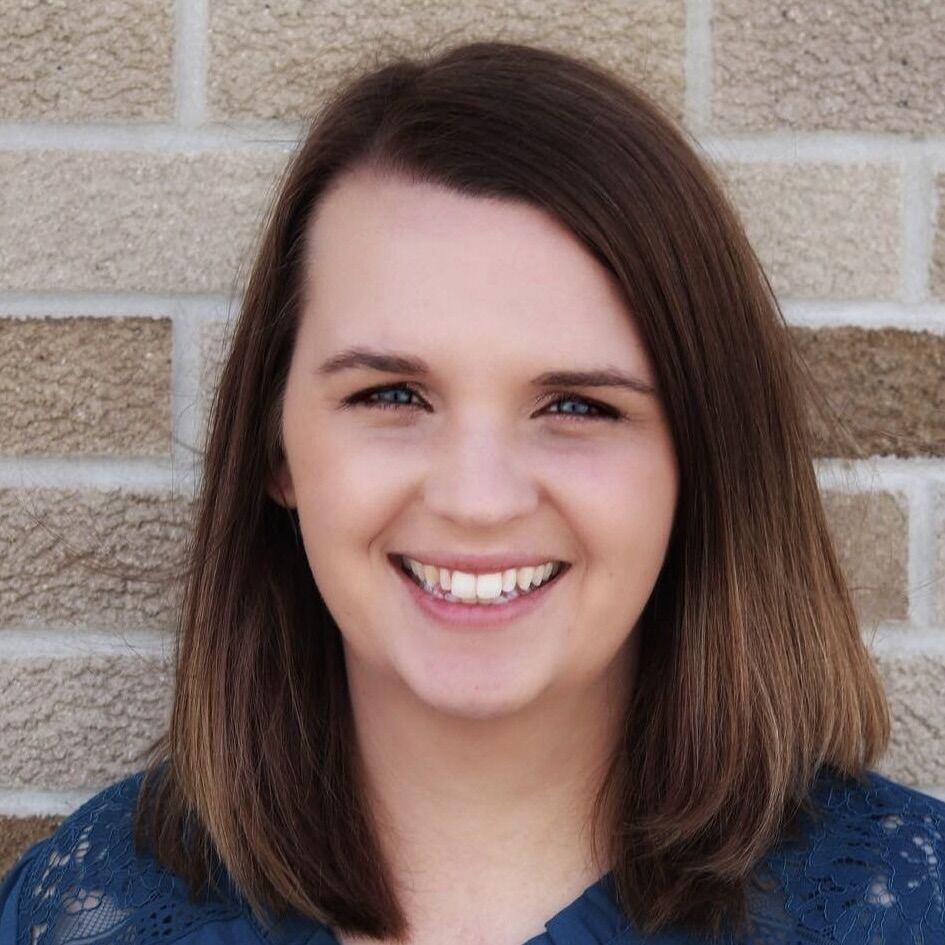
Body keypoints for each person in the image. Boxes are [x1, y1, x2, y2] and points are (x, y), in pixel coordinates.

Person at [1, 39, 943, 945]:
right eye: (391, 395)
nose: (477, 499)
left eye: (576, 405)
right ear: (274, 448)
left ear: (703, 457)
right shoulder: (77, 915)